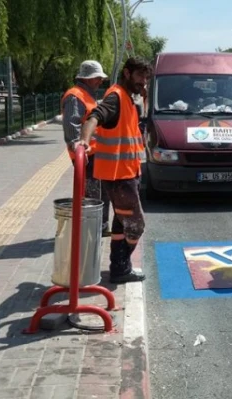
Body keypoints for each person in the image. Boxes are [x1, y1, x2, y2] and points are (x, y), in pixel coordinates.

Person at [75, 57, 151, 284]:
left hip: (127, 172)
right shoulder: (116, 96)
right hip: (119, 176)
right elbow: (93, 117)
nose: (143, 82)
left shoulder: (128, 98)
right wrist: (84, 141)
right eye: (140, 77)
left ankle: (120, 269)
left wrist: (143, 101)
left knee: (121, 222)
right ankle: (120, 266)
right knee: (136, 225)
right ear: (126, 73)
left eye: (146, 78)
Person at [61, 60, 111, 237]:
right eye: (97, 78)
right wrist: (78, 151)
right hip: (87, 155)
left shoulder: (86, 94)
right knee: (92, 193)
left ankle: (100, 227)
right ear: (88, 79)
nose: (100, 82)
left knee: (100, 191)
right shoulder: (76, 96)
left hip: (95, 153)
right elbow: (72, 124)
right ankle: (91, 230)